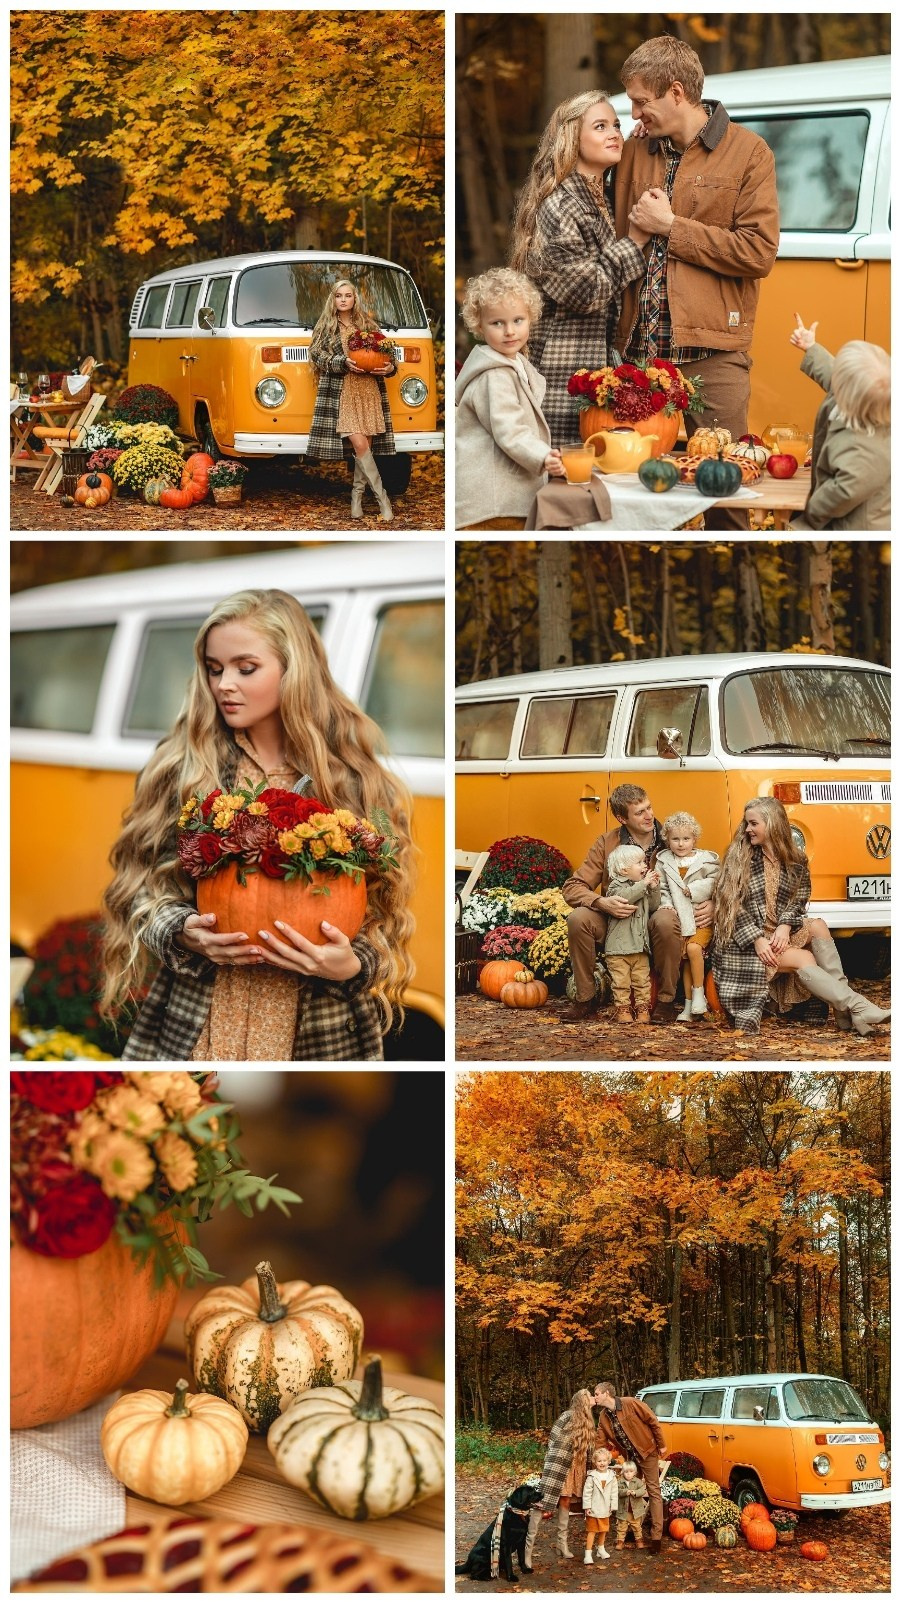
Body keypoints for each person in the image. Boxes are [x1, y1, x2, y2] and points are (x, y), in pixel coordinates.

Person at [100, 588, 414, 1061]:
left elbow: (381, 911)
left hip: (316, 1021)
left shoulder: (352, 777)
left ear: (295, 670)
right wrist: (181, 931)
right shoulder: (185, 766)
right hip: (201, 1013)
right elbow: (139, 888)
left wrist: (352, 964)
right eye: (214, 668)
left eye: (246, 669)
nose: (224, 684)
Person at [612, 36, 779, 525]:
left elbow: (758, 251)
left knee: (728, 493)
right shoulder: (633, 150)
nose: (636, 114)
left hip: (715, 352)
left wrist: (672, 228)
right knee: (632, 495)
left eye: (642, 101)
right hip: (639, 355)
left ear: (677, 92)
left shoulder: (749, 152)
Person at [509, 91, 650, 448]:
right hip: (563, 367)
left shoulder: (601, 195)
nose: (614, 133)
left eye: (617, 125)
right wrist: (634, 241)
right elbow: (582, 291)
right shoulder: (561, 204)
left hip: (596, 367)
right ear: (572, 137)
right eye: (600, 126)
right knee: (567, 473)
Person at [712, 796, 890, 1037]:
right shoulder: (739, 856)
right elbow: (730, 904)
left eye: (753, 823)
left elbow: (799, 899)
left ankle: (845, 1013)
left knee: (818, 925)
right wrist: (757, 938)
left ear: (772, 824)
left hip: (778, 931)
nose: (747, 829)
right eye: (747, 823)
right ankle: (856, 1007)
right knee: (805, 957)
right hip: (744, 941)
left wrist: (785, 926)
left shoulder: (796, 859)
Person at [561, 783, 708, 1025]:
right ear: (622, 818)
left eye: (649, 807)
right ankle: (586, 997)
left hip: (653, 919)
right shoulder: (607, 843)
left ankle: (665, 1001)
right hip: (617, 922)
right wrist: (601, 902)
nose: (649, 815)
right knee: (578, 918)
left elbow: (700, 873)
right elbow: (572, 887)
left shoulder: (671, 837)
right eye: (639, 812)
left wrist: (711, 904)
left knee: (666, 919)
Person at [455, 266, 564, 529]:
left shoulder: (517, 365)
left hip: (508, 494)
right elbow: (509, 430)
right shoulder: (494, 375)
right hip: (493, 503)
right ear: (479, 325)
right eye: (497, 323)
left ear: (531, 318)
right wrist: (542, 456)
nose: (510, 331)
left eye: (518, 320)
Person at [788, 313, 890, 530]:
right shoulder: (860, 398)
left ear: (847, 392)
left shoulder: (866, 447)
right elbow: (833, 371)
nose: (835, 378)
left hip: (853, 526)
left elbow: (843, 492)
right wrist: (811, 347)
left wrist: (811, 514)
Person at [308, 278, 396, 522]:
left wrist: (388, 368)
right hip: (343, 390)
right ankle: (383, 500)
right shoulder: (326, 326)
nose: (344, 299)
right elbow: (316, 354)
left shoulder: (367, 323)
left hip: (368, 389)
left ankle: (356, 500)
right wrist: (341, 362)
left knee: (364, 449)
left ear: (355, 298)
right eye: (339, 295)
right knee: (360, 446)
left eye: (348, 295)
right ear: (333, 300)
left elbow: (387, 351)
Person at [655, 810, 721, 1022]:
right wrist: (666, 905)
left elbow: (715, 883)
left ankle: (700, 994)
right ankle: (689, 1006)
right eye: (675, 839)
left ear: (695, 839)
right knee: (685, 960)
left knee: (694, 949)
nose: (681, 844)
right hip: (681, 918)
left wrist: (695, 889)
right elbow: (662, 888)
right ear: (667, 839)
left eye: (686, 839)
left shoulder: (706, 860)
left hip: (700, 917)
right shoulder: (664, 861)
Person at [525, 1388, 598, 1567]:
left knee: (566, 1501)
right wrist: (555, 1461)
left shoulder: (590, 1421)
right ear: (582, 1400)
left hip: (577, 1467)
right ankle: (527, 1550)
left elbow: (589, 1448)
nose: (593, 1397)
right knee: (542, 1503)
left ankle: (561, 1544)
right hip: (559, 1465)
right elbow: (553, 1439)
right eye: (590, 1395)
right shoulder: (567, 1416)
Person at [593, 1382, 667, 1553]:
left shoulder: (630, 1403)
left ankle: (656, 1538)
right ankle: (633, 1530)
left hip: (647, 1452)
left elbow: (652, 1420)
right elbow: (600, 1441)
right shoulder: (604, 1417)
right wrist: (596, 1464)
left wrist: (661, 1444)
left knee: (653, 1492)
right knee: (630, 1492)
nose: (595, 1397)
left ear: (606, 1393)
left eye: (597, 1393)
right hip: (631, 1458)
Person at [602, 843, 661, 1025]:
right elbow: (626, 897)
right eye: (639, 862)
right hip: (618, 949)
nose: (645, 866)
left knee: (642, 982)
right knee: (621, 983)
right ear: (623, 869)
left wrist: (653, 888)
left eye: (644, 861)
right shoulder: (615, 887)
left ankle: (643, 1010)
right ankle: (623, 1010)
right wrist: (644, 884)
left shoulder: (640, 886)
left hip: (639, 946)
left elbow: (653, 906)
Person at [581, 1446, 619, 1565]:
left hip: (605, 1507)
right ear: (595, 1462)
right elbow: (586, 1492)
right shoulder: (592, 1476)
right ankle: (588, 1553)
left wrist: (613, 1505)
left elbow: (614, 1492)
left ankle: (601, 1549)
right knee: (592, 1530)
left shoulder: (612, 1476)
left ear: (608, 1461)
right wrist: (587, 1506)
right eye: (599, 1461)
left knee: (603, 1530)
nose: (602, 1463)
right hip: (594, 1508)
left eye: (604, 1461)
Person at [615, 1460, 649, 1549]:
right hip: (624, 1511)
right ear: (623, 1472)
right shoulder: (620, 1482)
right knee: (621, 1527)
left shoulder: (638, 1482)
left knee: (637, 1527)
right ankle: (620, 1542)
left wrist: (635, 1492)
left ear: (635, 1472)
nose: (628, 1474)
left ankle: (639, 1541)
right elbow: (617, 1491)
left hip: (635, 1511)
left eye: (631, 1472)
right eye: (626, 1472)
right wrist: (625, 1492)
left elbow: (642, 1490)